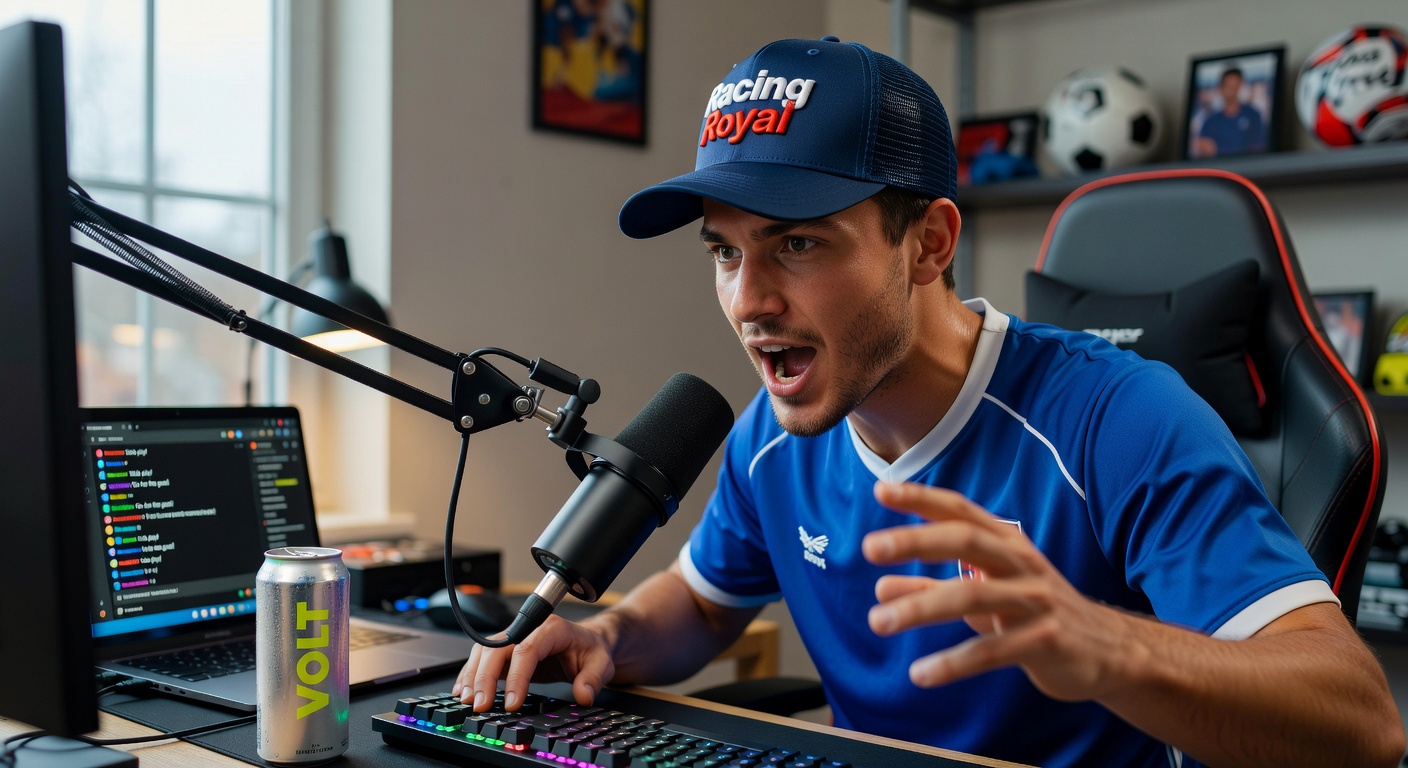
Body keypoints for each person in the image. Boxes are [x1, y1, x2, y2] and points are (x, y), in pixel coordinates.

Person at [456, 37, 1404, 767]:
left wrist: (1106, 648)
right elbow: (702, 606)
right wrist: (607, 638)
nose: (748, 301)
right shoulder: (771, 437)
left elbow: (1363, 724)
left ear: (929, 244)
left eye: (798, 244)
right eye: (725, 251)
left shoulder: (1120, 418)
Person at [1192, 66, 1266, 157]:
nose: (1232, 90)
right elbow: (1203, 150)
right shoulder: (1210, 121)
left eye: (1235, 86)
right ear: (1221, 88)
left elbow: (1259, 147)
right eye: (1228, 86)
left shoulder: (1253, 114)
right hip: (1217, 169)